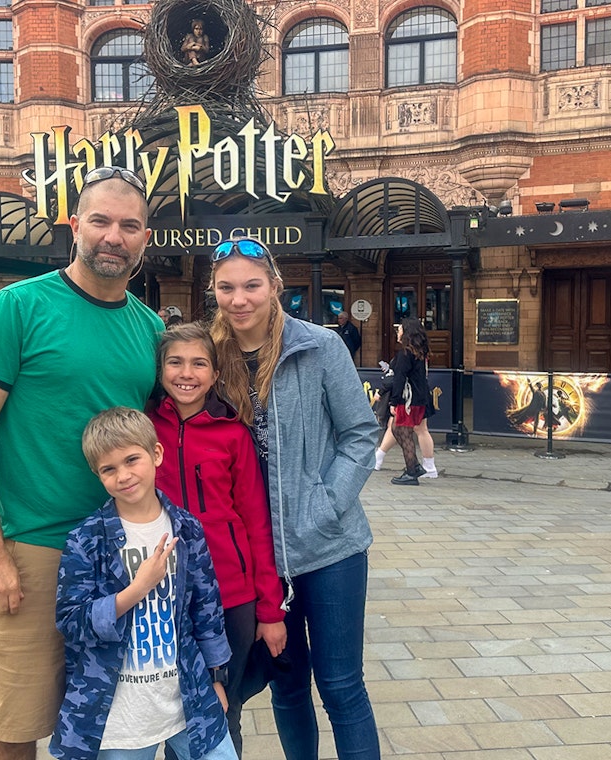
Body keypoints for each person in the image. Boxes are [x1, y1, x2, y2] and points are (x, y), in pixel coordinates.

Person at [0, 165, 160, 760]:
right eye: (100, 221)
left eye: (129, 225)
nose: (113, 236)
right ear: (75, 225)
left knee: (113, 729)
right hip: (36, 548)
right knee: (16, 728)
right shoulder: (18, 307)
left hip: (121, 554)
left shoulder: (148, 329)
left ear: (146, 236)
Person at [208, 237, 381, 760]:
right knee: (286, 688)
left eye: (252, 285)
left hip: (329, 549)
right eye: (227, 287)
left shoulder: (318, 346)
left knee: (341, 686)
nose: (240, 299)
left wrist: (327, 504)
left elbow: (360, 434)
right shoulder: (208, 356)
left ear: (275, 287)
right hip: (257, 556)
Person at [51, 407, 236, 760]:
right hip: (118, 712)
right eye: (109, 469)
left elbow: (206, 610)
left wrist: (217, 678)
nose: (124, 475)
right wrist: (136, 590)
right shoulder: (87, 539)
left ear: (156, 454)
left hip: (188, 697)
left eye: (131, 460)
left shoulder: (186, 528)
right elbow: (71, 621)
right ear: (97, 474)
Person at [148, 323, 286, 757]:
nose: (186, 373)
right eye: (175, 362)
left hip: (232, 599)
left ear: (214, 373)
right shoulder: (144, 429)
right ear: (160, 369)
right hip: (164, 595)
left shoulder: (233, 434)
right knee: (172, 714)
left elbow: (256, 524)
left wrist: (270, 609)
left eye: (198, 363)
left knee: (223, 711)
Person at [386, 318, 437, 484]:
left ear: (406, 332)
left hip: (408, 400)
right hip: (418, 398)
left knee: (403, 431)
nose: (397, 333)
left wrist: (393, 402)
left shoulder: (405, 354)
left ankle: (411, 471)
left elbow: (399, 379)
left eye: (399, 329)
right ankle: (415, 465)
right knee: (396, 428)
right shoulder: (419, 353)